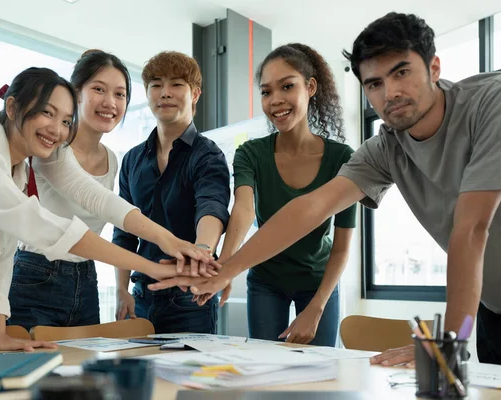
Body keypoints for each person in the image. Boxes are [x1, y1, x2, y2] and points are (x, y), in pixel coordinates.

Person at [149, 12, 501, 365]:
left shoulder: (490, 104)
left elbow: (471, 228)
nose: (390, 93)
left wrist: (448, 342)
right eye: (374, 84)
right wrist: (225, 270)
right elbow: (308, 210)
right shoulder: (386, 149)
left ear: (434, 68)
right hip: (490, 307)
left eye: (402, 72)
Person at [0, 67, 214, 351]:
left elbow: (2, 250)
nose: (57, 129)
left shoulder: (22, 167)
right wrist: (155, 267)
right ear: (12, 107)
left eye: (65, 121)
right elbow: (54, 230)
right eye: (46, 113)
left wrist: (169, 241)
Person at [7, 50, 212, 331]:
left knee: (83, 372)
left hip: (86, 280)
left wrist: (122, 286)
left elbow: (114, 221)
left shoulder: (112, 159)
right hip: (35, 274)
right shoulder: (51, 147)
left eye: (120, 94)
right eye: (99, 89)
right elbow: (102, 203)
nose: (110, 102)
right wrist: (168, 242)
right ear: (75, 93)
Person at [201, 43, 355, 345]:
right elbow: (243, 210)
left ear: (310, 87)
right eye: (266, 92)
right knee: (265, 371)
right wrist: (225, 268)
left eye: (287, 86)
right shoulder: (251, 153)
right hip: (266, 281)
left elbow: (341, 247)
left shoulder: (342, 158)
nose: (275, 101)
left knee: (317, 375)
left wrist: (318, 306)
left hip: (318, 282)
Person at [112, 51, 231, 333]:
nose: (164, 93)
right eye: (156, 85)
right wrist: (121, 289)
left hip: (189, 295)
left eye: (176, 84)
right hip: (140, 296)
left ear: (196, 93)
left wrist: (201, 252)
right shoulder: (132, 160)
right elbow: (124, 230)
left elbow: (212, 207)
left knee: (191, 376)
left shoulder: (208, 155)